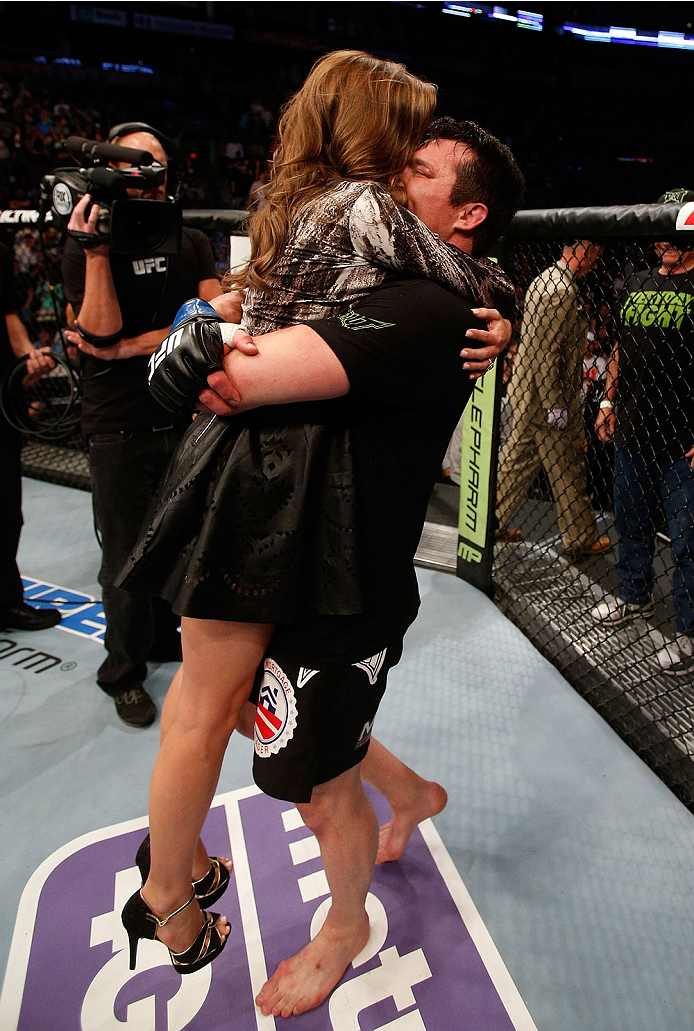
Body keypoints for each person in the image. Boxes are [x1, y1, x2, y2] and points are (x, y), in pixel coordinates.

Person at [121, 93, 523, 1024]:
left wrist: (197, 343)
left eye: (417, 172)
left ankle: (345, 927)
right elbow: (257, 298)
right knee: (297, 717)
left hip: (352, 581)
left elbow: (235, 380)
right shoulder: (388, 275)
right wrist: (205, 308)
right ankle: (416, 793)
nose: (389, 177)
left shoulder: (431, 303)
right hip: (300, 550)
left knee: (316, 781)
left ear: (466, 214)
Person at [60, 123, 222, 727]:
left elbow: (218, 316)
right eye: (127, 161)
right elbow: (94, 332)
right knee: (125, 556)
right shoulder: (87, 241)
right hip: (119, 425)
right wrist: (98, 251)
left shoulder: (190, 239)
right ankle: (121, 671)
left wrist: (132, 349)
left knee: (182, 542)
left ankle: (159, 641)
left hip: (181, 416)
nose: (139, 171)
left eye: (149, 160)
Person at [592, 189, 694, 675]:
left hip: (683, 437)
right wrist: (609, 400)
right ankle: (634, 597)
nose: (663, 239)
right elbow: (619, 347)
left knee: (687, 539)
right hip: (634, 425)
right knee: (629, 523)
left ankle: (690, 632)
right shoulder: (637, 281)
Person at [495, 240, 613, 559]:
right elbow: (549, 354)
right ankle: (580, 537)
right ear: (585, 251)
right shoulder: (560, 289)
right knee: (565, 463)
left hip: (532, 391)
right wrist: (555, 406)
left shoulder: (546, 278)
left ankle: (489, 524)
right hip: (547, 395)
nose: (596, 263)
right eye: (595, 255)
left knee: (525, 458)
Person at [0, 236, 61, 631]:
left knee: (6, 511)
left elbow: (7, 313)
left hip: (2, 397)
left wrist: (28, 361)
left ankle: (6, 600)